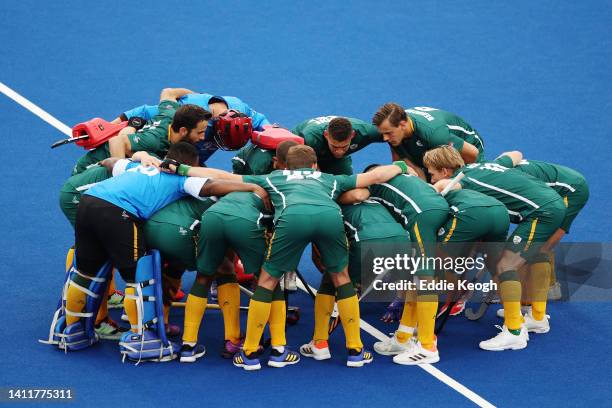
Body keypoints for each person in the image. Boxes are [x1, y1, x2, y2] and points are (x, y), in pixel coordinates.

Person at [169, 145, 413, 369]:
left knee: (267, 281)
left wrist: (182, 168)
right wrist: (402, 166)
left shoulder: (275, 177)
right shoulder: (329, 179)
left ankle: (251, 352)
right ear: (315, 164)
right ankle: (356, 350)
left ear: (286, 166)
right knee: (342, 278)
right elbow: (375, 176)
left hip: (292, 219)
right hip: (329, 218)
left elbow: (223, 176)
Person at [61, 143, 269, 358]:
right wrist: (251, 187)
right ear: (190, 165)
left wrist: (140, 156)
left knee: (85, 274)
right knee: (138, 278)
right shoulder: (181, 178)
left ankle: (73, 331)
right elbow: (212, 186)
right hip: (118, 212)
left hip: (88, 202)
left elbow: (110, 162)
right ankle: (142, 340)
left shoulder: (139, 166)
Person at [423, 146, 566, 351]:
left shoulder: (457, 181)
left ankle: (515, 332)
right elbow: (516, 154)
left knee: (506, 266)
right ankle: (532, 318)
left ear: (445, 171)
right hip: (549, 203)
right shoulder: (483, 166)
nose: (431, 179)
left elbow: (441, 188)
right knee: (502, 262)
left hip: (543, 212)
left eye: (432, 174)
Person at [342, 167, 450, 364]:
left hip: (421, 216)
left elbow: (358, 193)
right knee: (417, 277)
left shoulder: (374, 185)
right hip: (440, 208)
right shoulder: (406, 178)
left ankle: (427, 346)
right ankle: (403, 337)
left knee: (424, 278)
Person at [300, 199, 411, 361]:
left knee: (333, 282)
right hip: (402, 240)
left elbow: (322, 252)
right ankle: (412, 335)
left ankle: (322, 343)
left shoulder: (327, 206)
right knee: (418, 281)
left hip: (364, 240)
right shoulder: (377, 200)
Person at [72, 88, 211, 175]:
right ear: (183, 131)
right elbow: (117, 141)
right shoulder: (154, 140)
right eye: (199, 132)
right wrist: (120, 178)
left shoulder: (170, 113)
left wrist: (197, 97)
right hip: (89, 168)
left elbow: (169, 92)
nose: (203, 137)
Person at [118, 91, 271, 163]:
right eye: (220, 141)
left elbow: (262, 123)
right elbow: (145, 111)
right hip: (155, 153)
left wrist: (275, 136)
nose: (204, 138)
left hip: (191, 160)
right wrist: (111, 126)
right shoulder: (189, 113)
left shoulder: (241, 111)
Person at [372, 103, 484, 179]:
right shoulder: (395, 132)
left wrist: (459, 181)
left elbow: (473, 154)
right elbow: (404, 163)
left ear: (402, 124)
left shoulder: (436, 136)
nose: (385, 138)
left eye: (388, 133)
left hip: (468, 147)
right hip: (426, 143)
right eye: (383, 134)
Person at [292, 116, 384, 175]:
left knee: (346, 188)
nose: (339, 152)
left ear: (352, 135)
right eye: (335, 147)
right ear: (326, 135)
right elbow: (286, 154)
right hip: (303, 153)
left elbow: (395, 135)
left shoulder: (366, 132)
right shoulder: (309, 138)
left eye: (344, 147)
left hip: (335, 160)